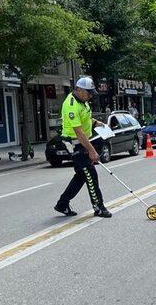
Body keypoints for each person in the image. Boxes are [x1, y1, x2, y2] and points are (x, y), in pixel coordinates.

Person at [55, 77, 111, 218]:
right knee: (90, 173)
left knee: (81, 175)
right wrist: (92, 151)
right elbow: (78, 132)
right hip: (73, 143)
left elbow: (85, 118)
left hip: (81, 141)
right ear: (79, 90)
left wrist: (96, 122)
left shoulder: (83, 102)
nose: (90, 95)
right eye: (88, 92)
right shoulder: (71, 105)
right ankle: (99, 207)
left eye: (92, 93)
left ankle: (62, 204)